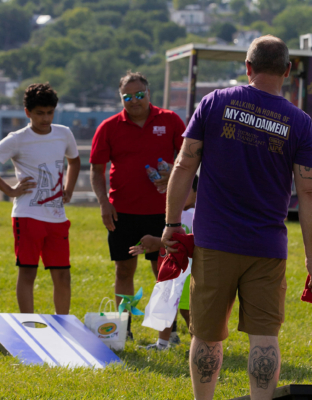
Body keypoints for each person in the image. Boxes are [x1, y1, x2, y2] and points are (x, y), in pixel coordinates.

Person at [161, 35, 312, 399]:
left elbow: (184, 163)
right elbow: (310, 191)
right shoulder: (299, 122)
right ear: (287, 71)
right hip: (267, 246)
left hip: (215, 242)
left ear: (247, 67)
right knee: (264, 337)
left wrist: (172, 224)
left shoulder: (214, 102)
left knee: (206, 335)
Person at [90, 71, 185, 337]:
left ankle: (168, 329)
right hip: (122, 211)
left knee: (163, 271)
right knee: (124, 269)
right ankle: (122, 329)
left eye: (139, 95)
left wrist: (174, 176)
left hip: (164, 212)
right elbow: (96, 170)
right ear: (121, 98)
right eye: (127, 96)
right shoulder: (109, 126)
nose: (134, 101)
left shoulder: (170, 120)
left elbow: (189, 158)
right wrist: (103, 204)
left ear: (149, 94)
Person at [0, 83, 80, 315]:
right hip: (27, 215)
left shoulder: (64, 133)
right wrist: (9, 190)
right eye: (39, 113)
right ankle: (28, 327)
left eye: (50, 112)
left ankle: (63, 325)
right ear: (27, 113)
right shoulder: (17, 138)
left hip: (57, 217)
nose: (45, 118)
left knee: (63, 275)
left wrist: (69, 188)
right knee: (28, 273)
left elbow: (74, 160)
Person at [129, 175, 198, 350]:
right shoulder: (175, 216)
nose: (179, 195)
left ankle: (200, 345)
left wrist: (155, 240)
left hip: (188, 272)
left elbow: (185, 241)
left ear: (198, 193)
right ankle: (162, 344)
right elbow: (168, 241)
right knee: (167, 306)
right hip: (173, 270)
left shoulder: (195, 215)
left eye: (185, 191)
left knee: (187, 309)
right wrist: (153, 244)